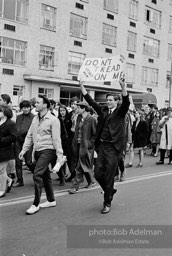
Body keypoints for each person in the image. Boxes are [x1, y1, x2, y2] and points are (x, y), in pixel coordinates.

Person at [79, 77, 130, 214]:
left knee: (109, 175)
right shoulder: (103, 111)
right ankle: (110, 190)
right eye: (107, 100)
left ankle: (107, 202)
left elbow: (126, 102)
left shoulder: (121, 112)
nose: (108, 102)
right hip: (102, 147)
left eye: (111, 100)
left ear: (116, 101)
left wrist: (123, 87)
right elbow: (91, 101)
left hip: (114, 148)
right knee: (98, 173)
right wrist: (82, 86)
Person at [19, 95, 63, 215]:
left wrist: (60, 156)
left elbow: (57, 139)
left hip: (48, 150)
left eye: (38, 103)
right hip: (37, 150)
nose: (35, 105)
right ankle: (51, 200)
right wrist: (24, 150)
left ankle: (35, 204)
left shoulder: (54, 120)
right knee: (45, 176)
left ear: (45, 105)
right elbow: (29, 135)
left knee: (37, 174)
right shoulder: (35, 119)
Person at [68, 102, 96, 194]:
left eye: (79, 108)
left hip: (86, 146)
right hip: (78, 144)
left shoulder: (91, 119)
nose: (77, 109)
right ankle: (91, 181)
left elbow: (95, 134)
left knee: (80, 166)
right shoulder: (79, 118)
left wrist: (89, 144)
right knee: (83, 164)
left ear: (84, 109)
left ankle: (75, 185)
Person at [13, 100, 35, 187]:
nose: (25, 109)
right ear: (21, 108)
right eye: (23, 108)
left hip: (29, 142)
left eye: (27, 107)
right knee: (18, 161)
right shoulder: (18, 117)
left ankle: (39, 175)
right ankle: (19, 180)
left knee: (29, 162)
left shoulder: (34, 117)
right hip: (18, 141)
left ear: (30, 108)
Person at [0, 103, 18, 197]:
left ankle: (2, 190)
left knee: (1, 170)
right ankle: (9, 180)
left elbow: (14, 136)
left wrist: (2, 140)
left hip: (5, 150)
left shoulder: (11, 123)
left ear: (5, 112)